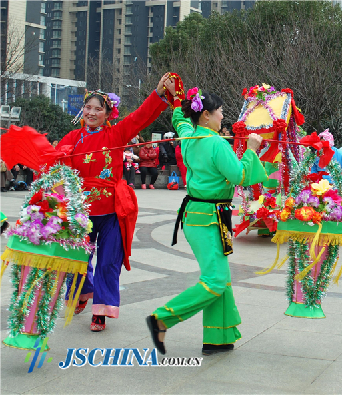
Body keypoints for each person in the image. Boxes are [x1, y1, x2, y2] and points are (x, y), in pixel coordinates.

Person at [147, 82, 268, 356]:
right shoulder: (215, 143)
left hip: (200, 216)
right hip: (209, 218)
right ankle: (163, 318)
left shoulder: (189, 135)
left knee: (220, 277)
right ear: (206, 115)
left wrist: (177, 99)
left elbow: (179, 119)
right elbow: (240, 176)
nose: (223, 116)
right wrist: (251, 149)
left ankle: (218, 337)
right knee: (214, 279)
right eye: (220, 112)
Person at [57, 73, 173, 332]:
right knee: (76, 258)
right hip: (81, 212)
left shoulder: (117, 134)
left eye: (98, 109)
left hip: (111, 210)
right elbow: (57, 163)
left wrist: (157, 94)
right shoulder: (72, 138)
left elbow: (140, 117)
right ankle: (82, 292)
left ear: (108, 113)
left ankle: (101, 310)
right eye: (88, 107)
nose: (91, 112)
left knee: (108, 261)